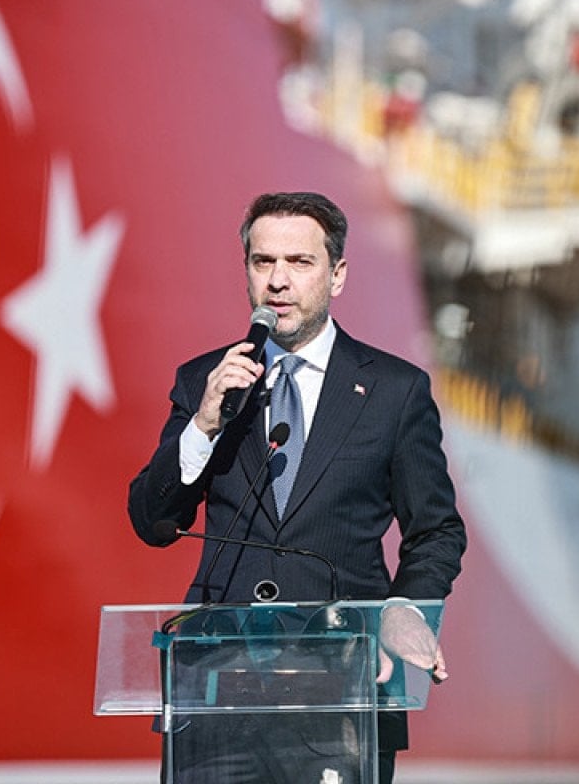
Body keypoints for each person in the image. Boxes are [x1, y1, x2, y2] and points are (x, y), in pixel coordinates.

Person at [128, 191, 467, 783]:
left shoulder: (394, 391)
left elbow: (436, 530)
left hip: (342, 688)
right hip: (217, 690)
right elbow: (151, 521)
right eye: (263, 262)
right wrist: (203, 423)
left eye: (299, 262)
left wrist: (405, 609)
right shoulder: (206, 381)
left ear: (337, 275)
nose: (278, 281)